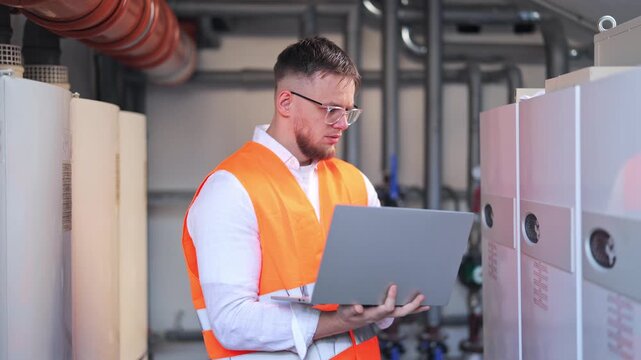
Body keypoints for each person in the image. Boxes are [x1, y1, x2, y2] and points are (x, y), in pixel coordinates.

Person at [182, 36, 428, 360]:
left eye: (349, 112)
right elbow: (231, 322)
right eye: (331, 110)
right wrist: (337, 320)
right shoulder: (230, 189)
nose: (342, 124)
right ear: (286, 103)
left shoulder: (355, 183)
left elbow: (368, 304)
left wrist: (386, 305)